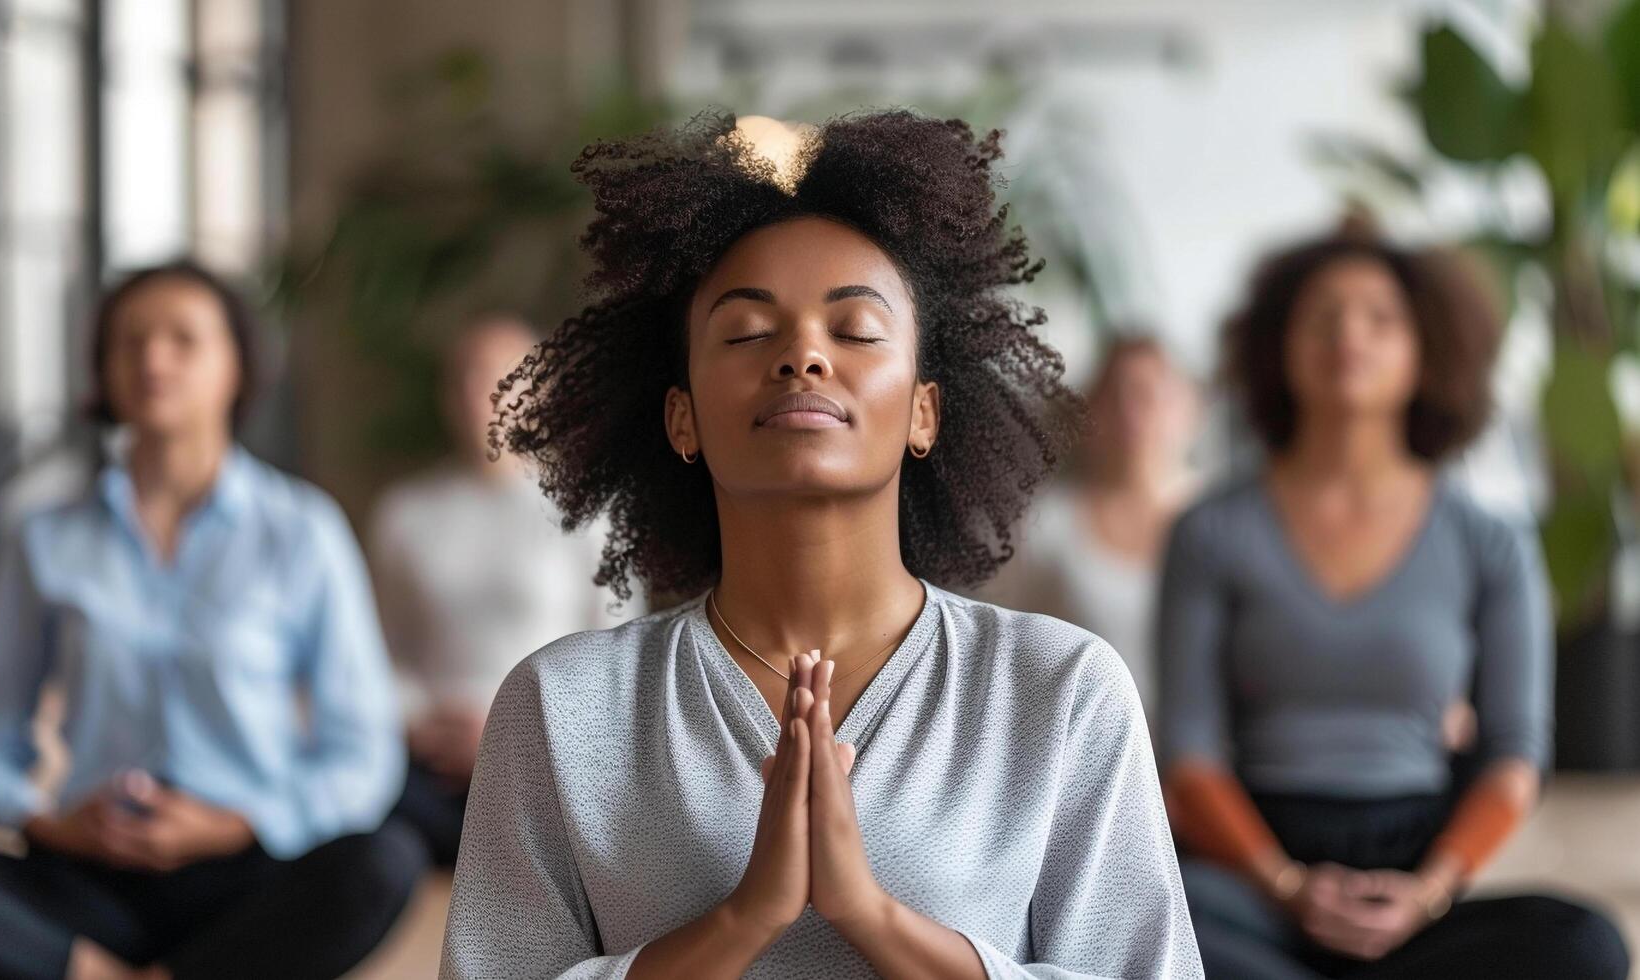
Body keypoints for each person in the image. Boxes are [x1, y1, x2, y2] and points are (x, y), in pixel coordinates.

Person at [438, 111, 1202, 979]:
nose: (802, 354)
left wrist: (871, 917)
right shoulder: (562, 707)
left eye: (855, 331)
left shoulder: (1060, 692)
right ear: (680, 417)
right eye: (746, 332)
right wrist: (743, 920)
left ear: (924, 411)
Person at [0, 262, 424, 980]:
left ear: (237, 366)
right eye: (129, 341)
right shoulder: (44, 537)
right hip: (84, 873)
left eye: (183, 339)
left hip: (245, 874)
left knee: (385, 860)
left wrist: (239, 824)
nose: (152, 359)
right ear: (102, 370)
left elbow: (363, 754)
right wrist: (49, 819)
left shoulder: (301, 531)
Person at [1158, 232, 1629, 979]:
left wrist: (1428, 894)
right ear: (1277, 347)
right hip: (1255, 874)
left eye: (1380, 319)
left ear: (1425, 351)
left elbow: (1513, 755)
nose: (1348, 335)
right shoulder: (1210, 532)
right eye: (1322, 318)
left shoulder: (1489, 541)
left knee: (1584, 945)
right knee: (1134, 916)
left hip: (1417, 874)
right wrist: (1284, 886)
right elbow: (1188, 754)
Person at [369, 313, 638, 867]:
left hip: (550, 751)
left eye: (500, 377)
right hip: (432, 757)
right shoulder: (405, 513)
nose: (479, 395)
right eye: (464, 377)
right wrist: (421, 723)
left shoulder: (591, 514)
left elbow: (619, 656)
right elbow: (382, 648)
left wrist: (505, 733)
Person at [975, 335, 1199, 720]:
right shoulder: (1043, 526)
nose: (1133, 413)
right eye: (1117, 397)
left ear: (1189, 409)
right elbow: (995, 651)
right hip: (1077, 750)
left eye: (1150, 394)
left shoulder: (1222, 520)